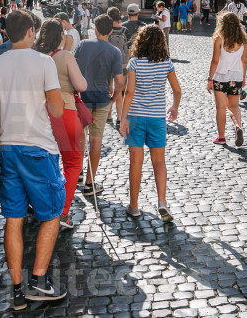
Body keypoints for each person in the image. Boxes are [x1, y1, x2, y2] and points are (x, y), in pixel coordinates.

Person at [0, 9, 68, 308]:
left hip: (7, 147)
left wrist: (1, 139)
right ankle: (39, 280)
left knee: (14, 218)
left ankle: (18, 289)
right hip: (37, 147)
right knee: (51, 214)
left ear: (6, 33)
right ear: (31, 32)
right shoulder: (43, 62)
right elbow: (57, 110)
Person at [121, 24, 181, 222]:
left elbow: (129, 92)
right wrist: (174, 107)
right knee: (159, 161)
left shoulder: (135, 63)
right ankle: (162, 202)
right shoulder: (166, 63)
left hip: (136, 116)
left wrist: (123, 117)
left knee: (135, 163)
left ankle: (134, 205)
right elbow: (177, 89)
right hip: (157, 118)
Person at [34, 19, 87, 230]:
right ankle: (63, 212)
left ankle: (42, 206)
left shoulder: (36, 57)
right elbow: (81, 85)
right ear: (61, 37)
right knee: (73, 162)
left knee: (46, 162)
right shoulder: (65, 56)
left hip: (40, 114)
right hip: (64, 112)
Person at [74, 14, 124, 197]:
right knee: (96, 141)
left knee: (80, 137)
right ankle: (89, 183)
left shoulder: (82, 45)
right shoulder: (114, 52)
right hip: (102, 99)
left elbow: (74, 69)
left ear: (95, 29)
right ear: (110, 31)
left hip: (83, 97)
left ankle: (77, 173)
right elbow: (120, 81)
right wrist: (113, 98)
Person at [208, 11, 247, 147]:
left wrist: (209, 78)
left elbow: (215, 61)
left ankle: (221, 137)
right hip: (236, 77)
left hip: (220, 77)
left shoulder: (219, 38)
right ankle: (238, 127)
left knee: (221, 108)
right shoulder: (243, 40)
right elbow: (244, 61)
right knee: (234, 106)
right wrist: (243, 77)